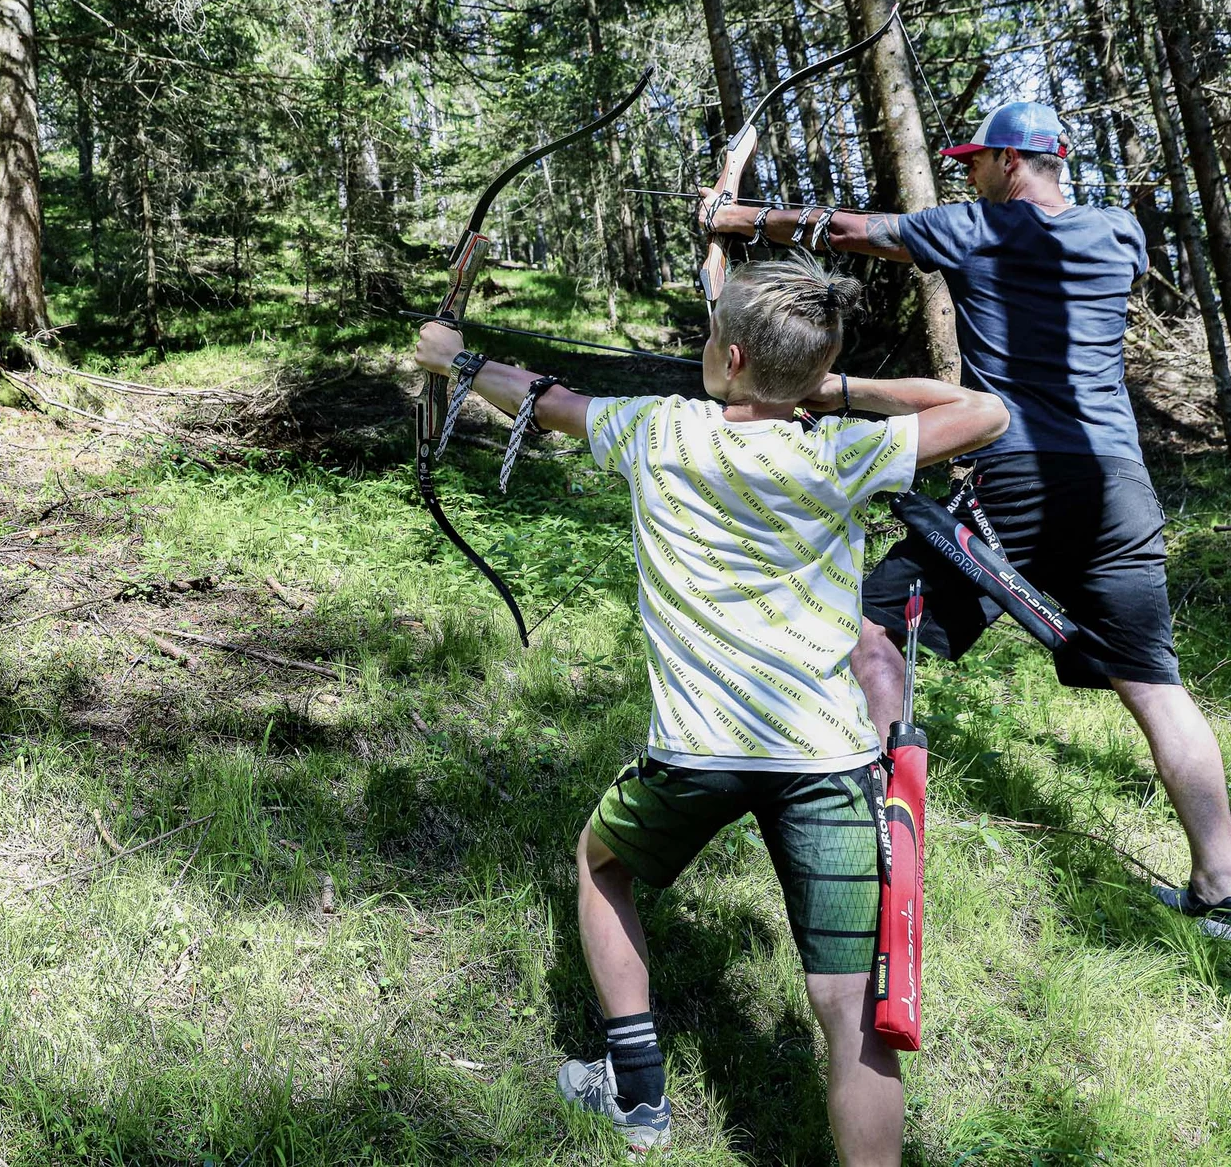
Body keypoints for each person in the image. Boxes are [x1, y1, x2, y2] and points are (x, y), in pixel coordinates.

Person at [414, 255, 1008, 1161]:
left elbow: (544, 399)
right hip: (827, 760)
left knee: (599, 862)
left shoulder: (658, 430)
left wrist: (451, 357)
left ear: (726, 355)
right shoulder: (842, 449)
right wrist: (835, 388)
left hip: (695, 753)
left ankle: (638, 1093)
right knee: (853, 1014)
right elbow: (982, 412)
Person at [697, 99, 1231, 941]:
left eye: (977, 160)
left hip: (1017, 474)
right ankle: (1220, 889)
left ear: (1011, 163)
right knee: (1157, 687)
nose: (967, 172)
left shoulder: (979, 226)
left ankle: (872, 842)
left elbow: (851, 231)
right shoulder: (1119, 233)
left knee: (872, 628)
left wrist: (738, 217)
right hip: (1119, 483)